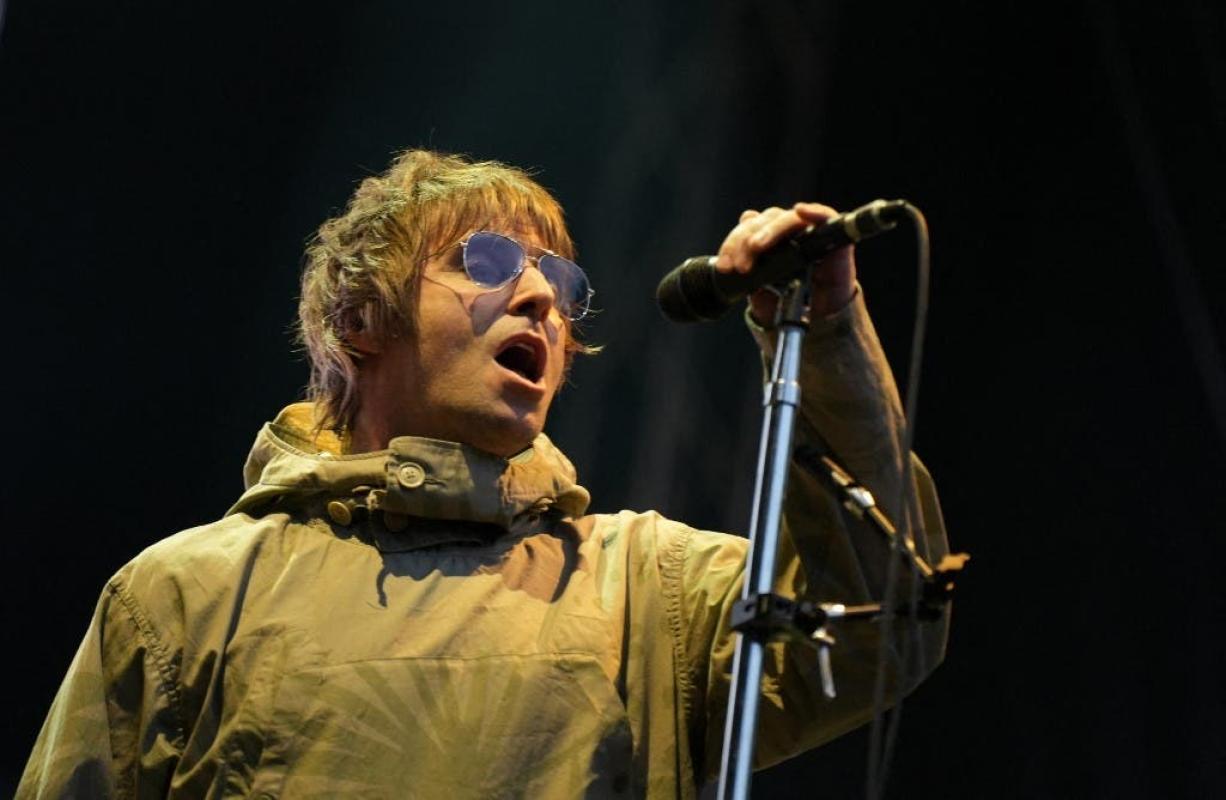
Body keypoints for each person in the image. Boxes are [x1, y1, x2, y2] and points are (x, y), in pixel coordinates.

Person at [18, 149, 950, 799]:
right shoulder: (185, 598)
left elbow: (881, 620)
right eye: (490, 260)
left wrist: (827, 335)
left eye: (561, 282)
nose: (542, 296)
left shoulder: (646, 590)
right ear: (358, 322)